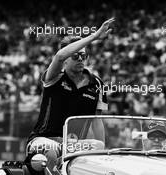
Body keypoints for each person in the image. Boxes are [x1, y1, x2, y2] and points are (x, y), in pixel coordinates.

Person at [26, 18, 115, 175]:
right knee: (51, 152)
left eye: (83, 55)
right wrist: (94, 37)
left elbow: (96, 120)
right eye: (75, 56)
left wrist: (102, 153)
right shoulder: (54, 77)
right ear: (66, 60)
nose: (80, 59)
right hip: (43, 139)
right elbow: (59, 56)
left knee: (98, 146)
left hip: (74, 144)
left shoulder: (97, 84)